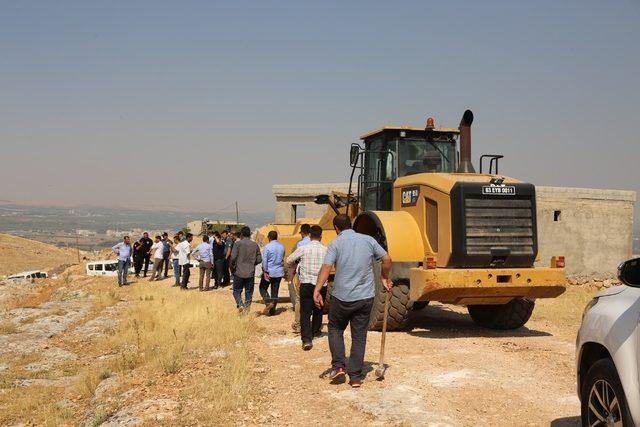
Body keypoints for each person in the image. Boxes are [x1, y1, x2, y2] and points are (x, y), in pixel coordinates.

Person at [314, 214, 392, 388]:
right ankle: (355, 377)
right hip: (365, 297)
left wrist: (317, 289)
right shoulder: (369, 240)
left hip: (342, 297)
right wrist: (384, 277)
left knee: (335, 328)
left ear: (336, 228)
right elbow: (387, 259)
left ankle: (339, 367)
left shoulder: (335, 243)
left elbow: (326, 267)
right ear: (351, 225)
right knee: (359, 335)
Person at [287, 225, 327, 350]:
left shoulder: (303, 248)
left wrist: (298, 264)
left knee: (305, 312)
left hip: (306, 283)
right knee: (318, 308)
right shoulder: (326, 250)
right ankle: (316, 331)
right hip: (321, 284)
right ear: (321, 236)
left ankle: (306, 339)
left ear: (309, 236)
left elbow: (289, 260)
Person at [230, 226, 262, 313]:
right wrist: (252, 263)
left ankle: (240, 304)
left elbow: (233, 258)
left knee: (236, 291)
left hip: (239, 272)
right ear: (249, 234)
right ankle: (247, 310)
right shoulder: (255, 245)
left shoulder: (238, 244)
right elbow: (259, 259)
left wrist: (232, 268)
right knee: (248, 292)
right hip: (250, 273)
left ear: (241, 234)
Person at [289, 223, 311, 333]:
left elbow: (292, 260)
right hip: (316, 275)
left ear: (302, 232)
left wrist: (291, 273)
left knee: (299, 299)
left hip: (302, 275)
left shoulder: (300, 244)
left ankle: (298, 324)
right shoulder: (316, 243)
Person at [260, 231, 285, 316]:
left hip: (269, 272)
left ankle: (268, 302)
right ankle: (272, 311)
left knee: (262, 288)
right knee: (275, 291)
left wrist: (265, 271)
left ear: (269, 237)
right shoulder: (282, 247)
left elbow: (265, 261)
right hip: (278, 272)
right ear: (276, 237)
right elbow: (282, 258)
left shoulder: (267, 247)